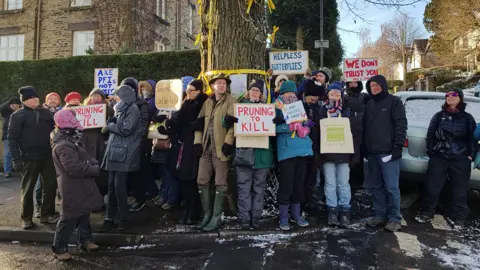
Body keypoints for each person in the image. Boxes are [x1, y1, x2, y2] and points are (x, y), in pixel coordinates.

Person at [416, 89, 476, 229]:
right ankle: (427, 212)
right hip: (440, 157)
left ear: (460, 98)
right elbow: (430, 135)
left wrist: (470, 156)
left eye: (453, 95)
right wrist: (432, 151)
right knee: (432, 187)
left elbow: (472, 139)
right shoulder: (438, 116)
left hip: (460, 158)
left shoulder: (467, 118)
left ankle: (458, 217)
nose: (450, 97)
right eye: (447, 95)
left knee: (459, 190)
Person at [51, 109, 101, 261]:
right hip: (72, 186)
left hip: (80, 184)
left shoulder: (71, 139)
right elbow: (74, 168)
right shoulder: (63, 145)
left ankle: (85, 240)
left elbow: (83, 157)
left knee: (84, 212)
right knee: (69, 217)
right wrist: (94, 169)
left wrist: (92, 163)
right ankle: (59, 248)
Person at [225, 80, 274, 229]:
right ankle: (245, 218)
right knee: (243, 188)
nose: (254, 92)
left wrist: (275, 122)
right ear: (248, 91)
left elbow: (273, 131)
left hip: (262, 156)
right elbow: (225, 122)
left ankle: (256, 218)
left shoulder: (267, 110)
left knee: (259, 189)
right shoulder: (240, 108)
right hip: (244, 155)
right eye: (252, 90)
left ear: (261, 94)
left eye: (257, 90)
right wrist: (228, 120)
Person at [8, 86, 58, 229]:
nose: (35, 100)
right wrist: (16, 159)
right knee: (28, 188)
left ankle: (47, 214)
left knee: (50, 187)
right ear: (24, 101)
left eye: (36, 97)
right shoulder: (17, 115)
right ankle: (26, 218)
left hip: (48, 156)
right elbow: (12, 139)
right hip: (28, 158)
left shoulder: (47, 113)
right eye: (31, 98)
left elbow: (56, 129)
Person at [363, 75, 407, 232]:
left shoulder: (394, 102)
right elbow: (365, 127)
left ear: (383, 85)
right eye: (371, 85)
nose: (374, 88)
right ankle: (380, 215)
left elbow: (401, 124)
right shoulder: (369, 104)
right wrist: (364, 147)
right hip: (372, 153)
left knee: (391, 187)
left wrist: (398, 147)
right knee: (376, 186)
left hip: (388, 152)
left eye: (376, 85)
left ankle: (395, 218)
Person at [194, 73, 236, 232]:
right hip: (206, 147)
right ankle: (207, 214)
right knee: (202, 180)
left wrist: (228, 142)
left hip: (221, 149)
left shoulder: (231, 101)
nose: (222, 85)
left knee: (220, 182)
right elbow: (199, 123)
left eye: (224, 83)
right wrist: (197, 142)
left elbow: (233, 124)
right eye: (219, 83)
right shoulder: (208, 102)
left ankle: (216, 217)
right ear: (212, 86)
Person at [317, 83, 362, 228]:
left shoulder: (347, 111)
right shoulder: (322, 111)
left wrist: (355, 154)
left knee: (343, 183)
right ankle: (332, 210)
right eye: (332, 93)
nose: (335, 96)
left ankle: (344, 211)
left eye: (337, 93)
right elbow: (317, 134)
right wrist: (317, 155)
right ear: (327, 95)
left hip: (344, 153)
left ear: (341, 95)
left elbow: (354, 133)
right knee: (330, 183)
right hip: (327, 154)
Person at [99, 85, 142, 232]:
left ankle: (124, 218)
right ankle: (109, 217)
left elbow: (125, 129)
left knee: (118, 188)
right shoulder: (120, 108)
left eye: (117, 95)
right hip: (115, 151)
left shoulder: (132, 109)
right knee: (111, 187)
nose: (114, 97)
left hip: (124, 152)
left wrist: (109, 125)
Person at [272, 80, 313, 231]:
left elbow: (304, 122)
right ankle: (283, 216)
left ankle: (296, 214)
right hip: (287, 150)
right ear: (281, 93)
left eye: (292, 92)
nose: (289, 95)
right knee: (286, 185)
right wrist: (286, 126)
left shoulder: (299, 105)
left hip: (302, 149)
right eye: (286, 92)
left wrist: (307, 125)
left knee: (298, 184)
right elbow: (271, 128)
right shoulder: (276, 106)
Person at [170, 79, 208, 224]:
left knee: (193, 178)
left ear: (198, 91)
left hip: (196, 144)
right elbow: (179, 120)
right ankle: (185, 209)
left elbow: (204, 121)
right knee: (184, 177)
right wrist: (170, 124)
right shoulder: (186, 103)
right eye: (187, 90)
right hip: (185, 144)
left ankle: (194, 212)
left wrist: (194, 125)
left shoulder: (204, 103)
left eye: (191, 90)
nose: (188, 93)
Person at [120, 77, 156, 212]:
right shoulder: (120, 104)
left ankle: (140, 198)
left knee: (140, 171)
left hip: (138, 143)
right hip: (124, 144)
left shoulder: (141, 103)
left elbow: (143, 123)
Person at [82, 89, 115, 205]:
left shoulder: (107, 108)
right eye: (93, 96)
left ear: (102, 98)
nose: (95, 98)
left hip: (100, 139)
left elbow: (112, 114)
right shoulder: (83, 108)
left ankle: (100, 195)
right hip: (86, 140)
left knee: (99, 165)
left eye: (98, 96)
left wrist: (103, 108)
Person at [35, 92, 63, 218]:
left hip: (58, 150)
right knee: (41, 182)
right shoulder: (38, 112)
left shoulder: (63, 111)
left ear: (59, 101)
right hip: (43, 151)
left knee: (53, 181)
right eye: (50, 98)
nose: (52, 100)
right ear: (45, 100)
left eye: (55, 98)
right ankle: (39, 207)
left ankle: (49, 209)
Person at [300, 79, 324, 210]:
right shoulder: (299, 105)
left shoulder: (317, 107)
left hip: (315, 146)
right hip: (302, 146)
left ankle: (309, 199)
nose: (313, 102)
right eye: (312, 99)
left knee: (312, 175)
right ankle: (301, 202)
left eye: (316, 100)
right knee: (302, 175)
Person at [344, 81, 369, 190]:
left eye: (356, 82)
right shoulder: (344, 98)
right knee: (350, 159)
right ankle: (348, 182)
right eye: (351, 82)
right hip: (348, 132)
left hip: (362, 132)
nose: (353, 84)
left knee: (359, 160)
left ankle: (358, 183)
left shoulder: (365, 97)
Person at [0, 97, 21, 178]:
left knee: (21, 152)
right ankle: (7, 171)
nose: (15, 106)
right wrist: (10, 101)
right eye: (13, 104)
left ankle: (20, 169)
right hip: (7, 135)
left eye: (16, 104)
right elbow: (1, 107)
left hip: (20, 135)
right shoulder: (6, 112)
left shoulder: (21, 112)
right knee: (7, 153)